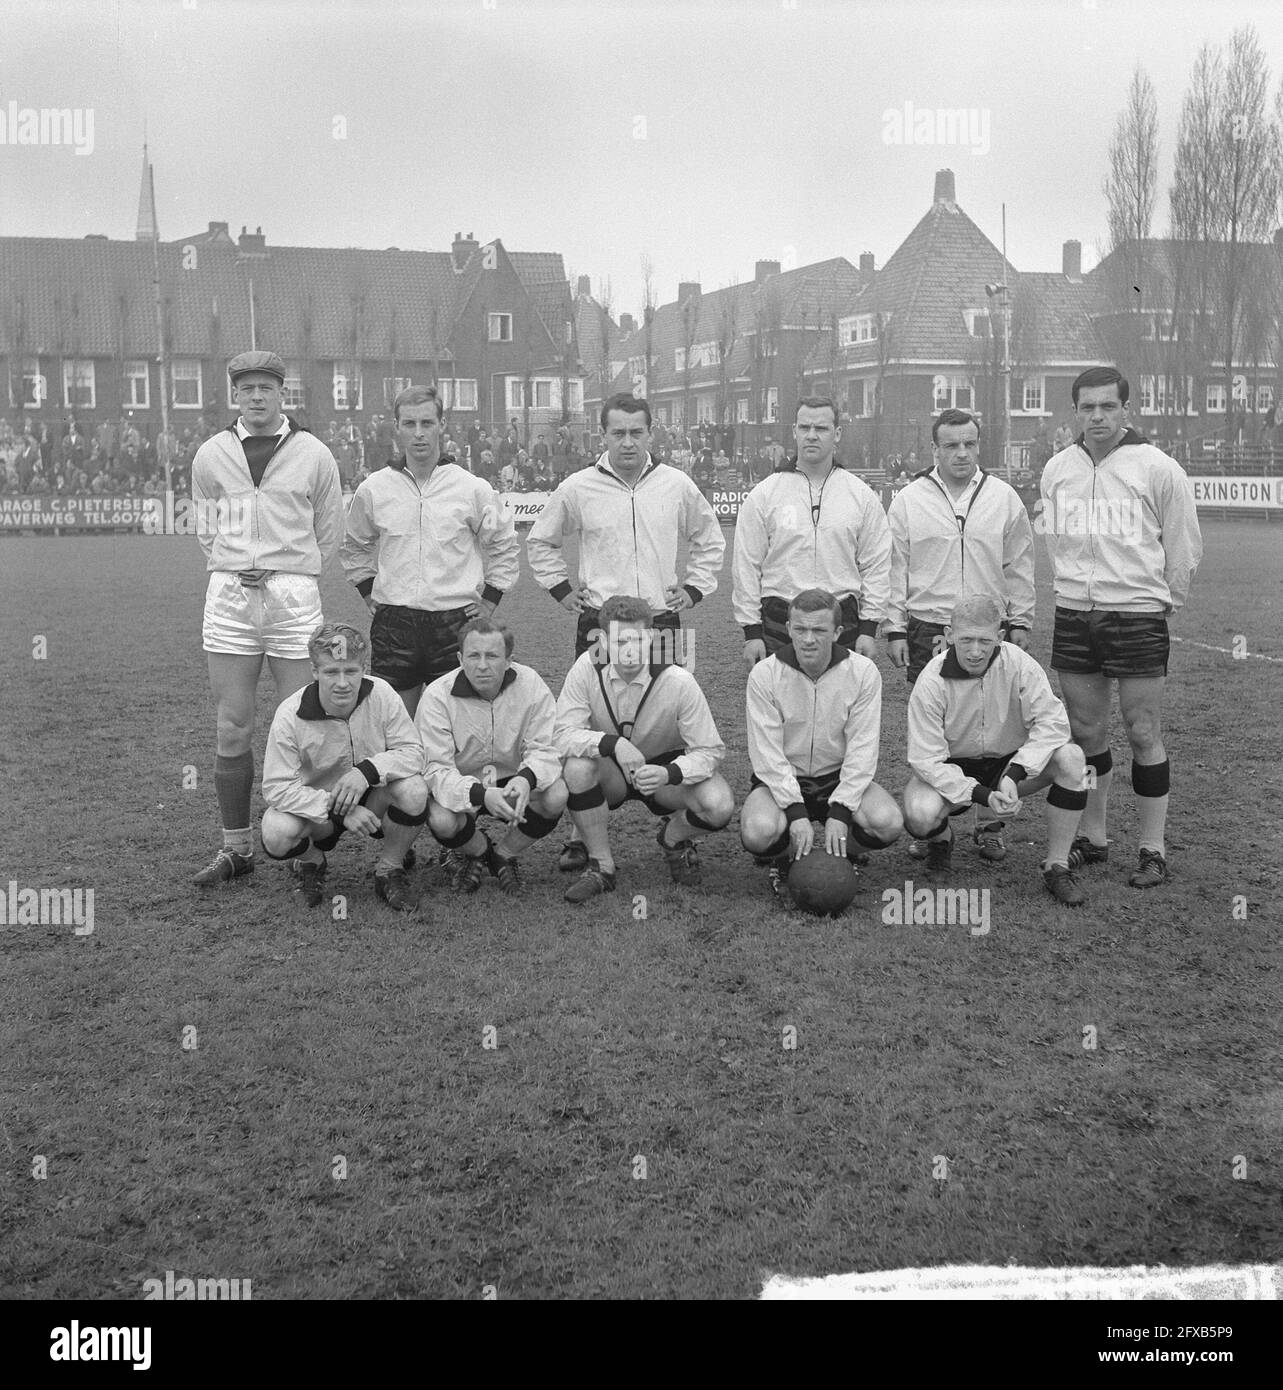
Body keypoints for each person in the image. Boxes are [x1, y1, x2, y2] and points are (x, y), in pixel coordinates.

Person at [527, 393, 725, 874]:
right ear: (604, 435)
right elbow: (541, 540)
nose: (628, 441)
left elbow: (709, 538)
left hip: (661, 619)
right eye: (618, 432)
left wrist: (694, 589)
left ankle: (678, 828)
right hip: (601, 621)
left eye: (637, 432)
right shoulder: (578, 487)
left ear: (652, 433)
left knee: (672, 717)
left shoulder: (676, 484)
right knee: (593, 723)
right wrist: (561, 589)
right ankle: (580, 834)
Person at [1040, 366, 1202, 889]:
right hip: (1074, 614)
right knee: (1086, 733)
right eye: (1088, 407)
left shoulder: (1158, 467)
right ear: (1075, 412)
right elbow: (1057, 545)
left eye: (1108, 406)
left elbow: (1183, 547)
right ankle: (1095, 835)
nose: (1098, 417)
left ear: (1126, 410)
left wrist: (1162, 602)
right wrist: (1070, 591)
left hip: (1136, 614)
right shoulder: (1058, 468)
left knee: (1142, 731)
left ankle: (1152, 849)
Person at [191, 350, 346, 888]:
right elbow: (206, 526)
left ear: (283, 393)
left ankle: (304, 846)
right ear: (235, 393)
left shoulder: (313, 453)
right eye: (247, 388)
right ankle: (236, 848)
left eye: (267, 388)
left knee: (299, 723)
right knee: (233, 724)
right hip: (231, 598)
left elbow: (328, 530)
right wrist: (241, 564)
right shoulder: (211, 454)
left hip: (293, 598)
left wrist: (286, 570)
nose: (256, 397)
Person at [883, 407, 1036, 861]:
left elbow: (1020, 564)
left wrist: (1021, 619)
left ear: (979, 445)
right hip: (929, 625)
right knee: (939, 726)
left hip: (990, 628)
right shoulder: (909, 499)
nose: (962, 453)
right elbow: (895, 568)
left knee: (995, 722)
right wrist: (894, 627)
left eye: (970, 443)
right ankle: (936, 824)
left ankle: (990, 825)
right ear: (934, 449)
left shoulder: (1004, 497)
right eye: (951, 445)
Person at [341, 384, 520, 718]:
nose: (419, 433)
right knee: (396, 728)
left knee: (457, 726)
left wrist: (491, 600)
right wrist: (367, 592)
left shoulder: (472, 488)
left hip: (455, 620)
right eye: (410, 424)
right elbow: (354, 546)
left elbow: (503, 544)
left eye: (427, 423)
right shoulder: (374, 489)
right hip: (395, 622)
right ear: (396, 428)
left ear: (442, 425)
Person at [901, 595, 1090, 906]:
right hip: (953, 767)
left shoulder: (1019, 663)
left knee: (1073, 760)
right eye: (966, 640)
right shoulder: (931, 680)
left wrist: (1014, 775)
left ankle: (1057, 866)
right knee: (919, 815)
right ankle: (941, 839)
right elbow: (926, 759)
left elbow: (1053, 723)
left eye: (985, 641)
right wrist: (983, 795)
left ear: (999, 637)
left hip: (1009, 764)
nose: (975, 651)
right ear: (949, 636)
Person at [553, 594, 735, 902]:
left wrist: (670, 773)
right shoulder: (586, 667)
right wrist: (612, 743)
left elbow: (710, 750)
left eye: (637, 639)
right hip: (612, 768)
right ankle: (601, 866)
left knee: (719, 804)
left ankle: (673, 837)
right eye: (619, 641)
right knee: (577, 768)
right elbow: (561, 733)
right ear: (603, 640)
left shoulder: (678, 679)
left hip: (663, 776)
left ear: (651, 636)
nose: (629, 650)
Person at [739, 589, 902, 898]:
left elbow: (863, 749)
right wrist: (796, 813)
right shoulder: (764, 674)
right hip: (784, 779)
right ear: (788, 629)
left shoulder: (863, 672)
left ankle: (843, 851)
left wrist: (841, 812)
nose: (808, 639)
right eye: (800, 629)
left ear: (838, 632)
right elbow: (767, 755)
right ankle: (784, 858)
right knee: (757, 831)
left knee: (887, 822)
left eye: (819, 630)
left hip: (837, 776)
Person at [260, 622, 429, 912]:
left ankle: (389, 869)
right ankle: (311, 862)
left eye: (350, 671)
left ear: (363, 668)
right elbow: (276, 788)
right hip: (318, 810)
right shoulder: (290, 713)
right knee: (276, 832)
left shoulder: (383, 693)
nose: (342, 682)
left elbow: (414, 753)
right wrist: (338, 807)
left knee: (414, 789)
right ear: (314, 672)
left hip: (375, 797)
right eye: (331, 672)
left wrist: (366, 772)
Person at [733, 395, 891, 670]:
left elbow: (876, 565)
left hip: (843, 622)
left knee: (839, 707)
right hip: (779, 620)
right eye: (804, 428)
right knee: (780, 708)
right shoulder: (765, 494)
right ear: (794, 431)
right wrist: (751, 632)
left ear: (837, 433)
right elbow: (746, 566)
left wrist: (868, 627)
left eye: (821, 429)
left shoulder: (861, 496)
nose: (811, 436)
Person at [418, 618, 568, 895]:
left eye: (492, 656)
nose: (482, 665)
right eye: (474, 655)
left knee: (556, 794)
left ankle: (504, 854)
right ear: (460, 658)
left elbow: (545, 747)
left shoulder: (532, 684)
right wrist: (480, 795)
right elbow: (436, 769)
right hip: (463, 782)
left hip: (513, 779)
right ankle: (480, 850)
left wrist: (526, 779)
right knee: (440, 820)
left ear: (509, 660)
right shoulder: (437, 696)